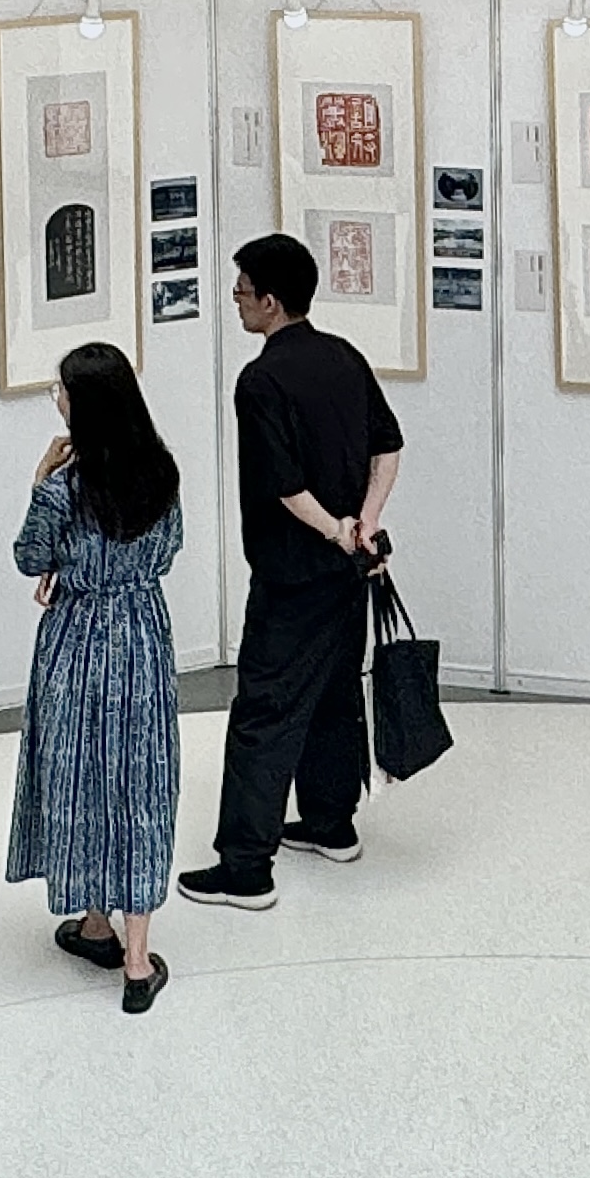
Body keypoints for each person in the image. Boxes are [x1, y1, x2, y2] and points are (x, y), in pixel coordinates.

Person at [178, 235, 400, 910]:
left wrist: (335, 527)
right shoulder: (344, 356)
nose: (236, 299)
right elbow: (388, 446)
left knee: (264, 711)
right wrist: (363, 524)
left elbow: (285, 487)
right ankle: (333, 824)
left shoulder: (260, 382)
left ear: (271, 301)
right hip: (349, 571)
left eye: (243, 290)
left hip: (291, 574)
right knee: (334, 693)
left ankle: (246, 867)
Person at [5, 341, 187, 1013]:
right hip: (141, 637)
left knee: (79, 776)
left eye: (61, 390)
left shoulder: (63, 487)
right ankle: (135, 959)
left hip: (76, 641)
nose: (56, 398)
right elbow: (169, 548)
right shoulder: (160, 473)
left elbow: (29, 556)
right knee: (140, 782)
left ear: (84, 406)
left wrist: (39, 485)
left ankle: (94, 923)